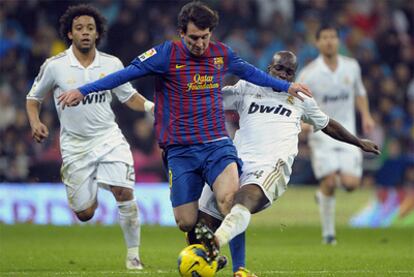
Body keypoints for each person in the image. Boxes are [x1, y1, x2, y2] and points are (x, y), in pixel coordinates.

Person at [57, 1, 312, 272]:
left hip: (217, 145)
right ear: (181, 33)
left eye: (205, 37)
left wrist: (287, 86)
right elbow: (124, 75)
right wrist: (83, 90)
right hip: (179, 152)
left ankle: (241, 268)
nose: (200, 43)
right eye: (193, 38)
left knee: (230, 202)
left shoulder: (221, 54)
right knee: (186, 221)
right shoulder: (165, 54)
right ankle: (208, 256)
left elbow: (254, 74)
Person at [194, 51, 380, 267]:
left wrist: (358, 142)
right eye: (279, 69)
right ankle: (215, 262)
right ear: (268, 69)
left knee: (241, 201)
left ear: (294, 76)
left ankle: (217, 241)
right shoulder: (246, 88)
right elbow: (209, 99)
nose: (283, 75)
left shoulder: (301, 99)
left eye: (289, 72)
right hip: (235, 163)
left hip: (271, 166)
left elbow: (327, 124)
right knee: (201, 220)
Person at [25, 5, 153, 270]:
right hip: (75, 146)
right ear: (70, 34)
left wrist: (152, 107)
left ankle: (133, 256)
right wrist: (35, 122)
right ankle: (92, 188)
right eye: (80, 28)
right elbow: (33, 98)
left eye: (90, 29)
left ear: (97, 34)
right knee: (84, 214)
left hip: (108, 139)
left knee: (124, 192)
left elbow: (128, 97)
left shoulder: (112, 64)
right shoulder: (55, 66)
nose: (85, 33)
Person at [297, 24, 376, 244]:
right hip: (321, 135)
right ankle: (329, 235)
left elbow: (360, 93)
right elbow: (298, 103)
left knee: (351, 185)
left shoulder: (351, 67)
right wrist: (303, 123)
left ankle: (321, 196)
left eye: (333, 37)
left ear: (338, 41)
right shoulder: (309, 73)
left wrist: (367, 115)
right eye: (325, 38)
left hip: (348, 133)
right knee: (330, 181)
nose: (329, 41)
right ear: (318, 43)